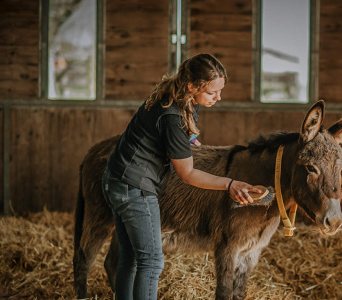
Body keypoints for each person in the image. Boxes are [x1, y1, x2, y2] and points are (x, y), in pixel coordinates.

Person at [101, 53, 259, 299]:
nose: (218, 97)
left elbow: (183, 136)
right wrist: (229, 184)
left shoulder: (172, 93)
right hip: (135, 187)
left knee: (130, 256)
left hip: (116, 179)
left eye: (220, 91)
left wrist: (192, 142)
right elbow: (187, 173)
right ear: (192, 86)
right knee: (151, 261)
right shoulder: (172, 116)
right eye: (212, 92)